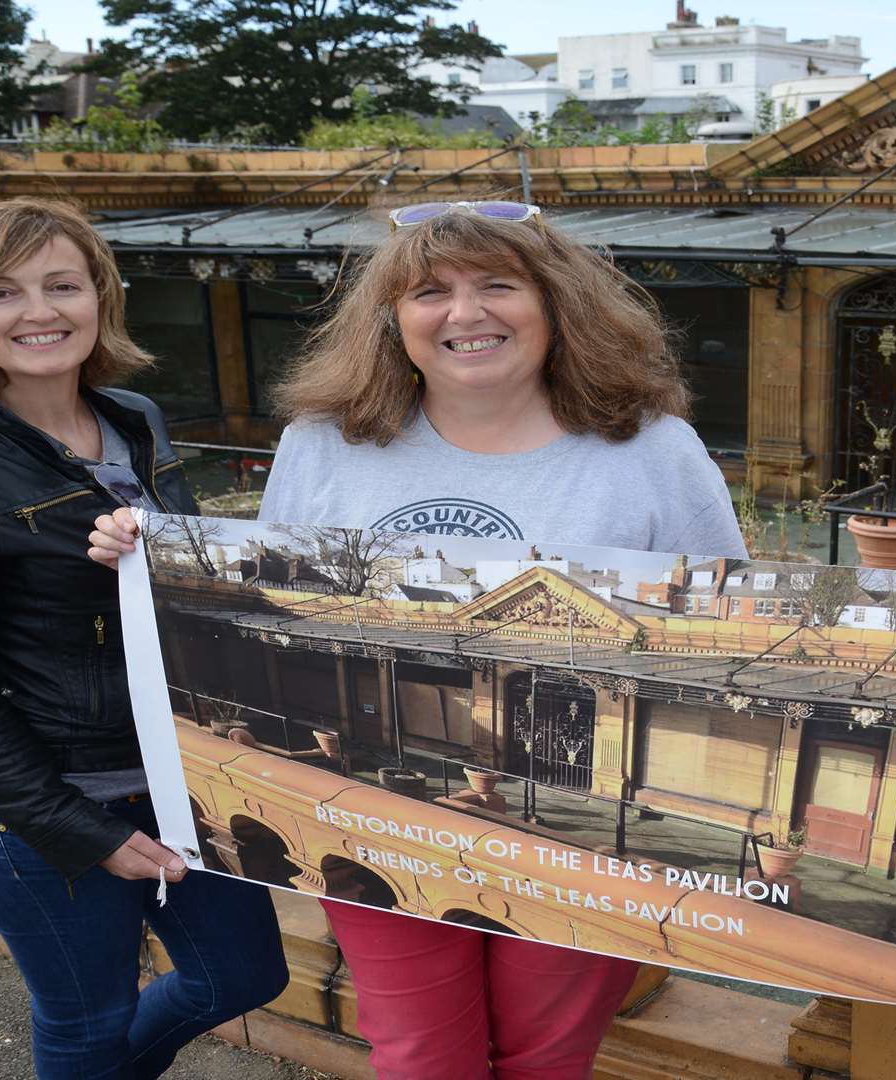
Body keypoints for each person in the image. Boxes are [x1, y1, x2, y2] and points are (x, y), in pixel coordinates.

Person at [91, 199, 747, 1079]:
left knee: (546, 1057)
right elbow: (262, 602)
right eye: (429, 291)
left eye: (498, 286)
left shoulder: (654, 450)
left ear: (555, 303)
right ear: (391, 319)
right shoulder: (323, 443)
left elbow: (727, 621)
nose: (465, 313)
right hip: (375, 815)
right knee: (419, 1056)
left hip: (578, 842)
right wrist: (149, 555)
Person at [0, 197, 288, 1080]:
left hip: (175, 781)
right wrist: (76, 829)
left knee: (241, 974)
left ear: (100, 295)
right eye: (2, 294)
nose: (40, 312)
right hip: (40, 811)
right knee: (87, 1022)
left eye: (63, 283)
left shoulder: (133, 415)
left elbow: (179, 578)